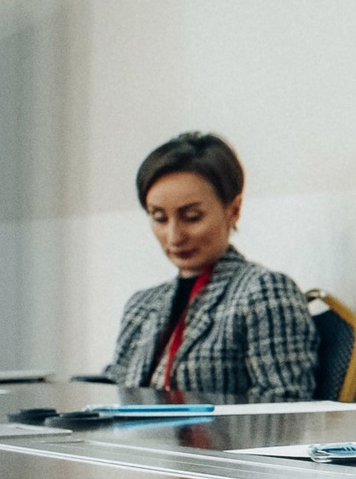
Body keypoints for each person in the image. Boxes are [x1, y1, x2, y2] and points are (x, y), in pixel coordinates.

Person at [104, 132, 317, 403]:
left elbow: (284, 408)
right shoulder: (142, 305)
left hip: (214, 445)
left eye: (192, 217)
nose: (174, 236)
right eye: (159, 218)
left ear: (234, 209)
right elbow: (116, 389)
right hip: (139, 444)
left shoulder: (263, 291)